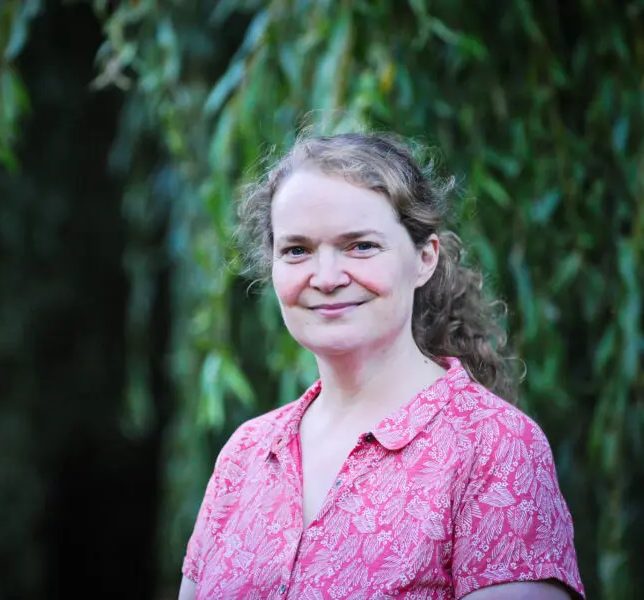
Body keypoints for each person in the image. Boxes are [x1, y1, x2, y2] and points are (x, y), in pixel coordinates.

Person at [178, 132, 584, 599]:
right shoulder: (243, 456)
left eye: (361, 246)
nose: (326, 278)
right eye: (297, 250)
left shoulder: (494, 448)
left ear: (424, 259)